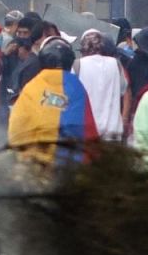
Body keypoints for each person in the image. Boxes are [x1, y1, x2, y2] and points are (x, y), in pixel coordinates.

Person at [8, 37, 97, 166]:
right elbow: (88, 128)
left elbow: (17, 124)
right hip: (68, 164)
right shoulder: (77, 88)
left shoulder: (33, 86)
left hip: (35, 162)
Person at [72, 30, 128, 141]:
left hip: (86, 132)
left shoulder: (77, 65)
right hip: (112, 133)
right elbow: (124, 91)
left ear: (83, 48)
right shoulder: (115, 64)